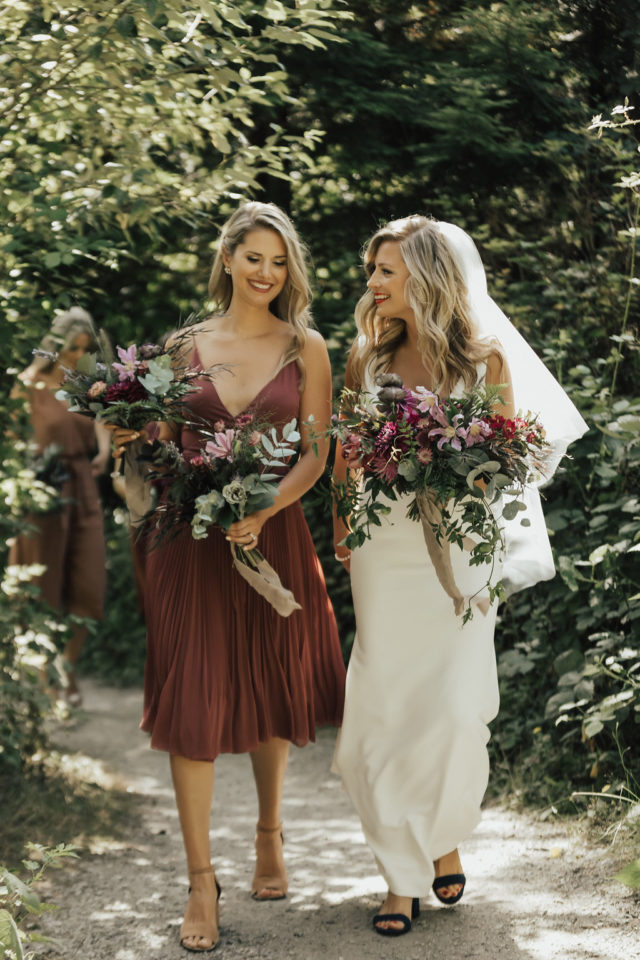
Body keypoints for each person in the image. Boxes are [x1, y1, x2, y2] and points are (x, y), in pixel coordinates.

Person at [332, 216, 587, 937]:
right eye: (373, 270)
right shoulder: (366, 361)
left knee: (448, 708)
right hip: (383, 548)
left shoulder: (487, 361)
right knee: (385, 703)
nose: (372, 283)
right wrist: (341, 526)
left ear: (425, 276)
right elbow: (348, 454)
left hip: (460, 549)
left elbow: (509, 467)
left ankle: (439, 838)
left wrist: (455, 471)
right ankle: (399, 878)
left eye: (385, 270)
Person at [111, 202, 346, 953]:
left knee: (270, 685)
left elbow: (315, 453)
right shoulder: (183, 347)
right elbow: (159, 438)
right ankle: (200, 880)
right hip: (191, 543)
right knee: (194, 697)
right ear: (228, 259)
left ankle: (270, 832)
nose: (267, 274)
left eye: (279, 262)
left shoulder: (306, 347)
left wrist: (267, 507)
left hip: (272, 536)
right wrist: (130, 432)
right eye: (254, 258)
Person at [8, 306, 109, 705]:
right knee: (41, 587)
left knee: (87, 587)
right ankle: (44, 678)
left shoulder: (89, 384)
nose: (74, 357)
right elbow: (13, 438)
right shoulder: (29, 384)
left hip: (82, 486)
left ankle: (67, 669)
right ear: (55, 346)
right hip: (42, 490)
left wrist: (104, 453)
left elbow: (104, 422)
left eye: (83, 350)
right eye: (70, 349)